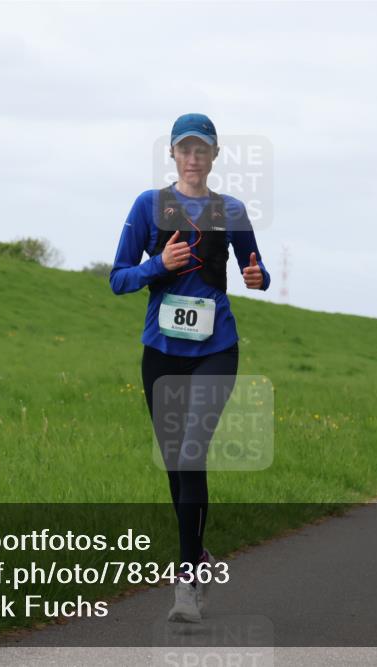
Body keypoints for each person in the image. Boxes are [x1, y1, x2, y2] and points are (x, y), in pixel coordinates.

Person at [110, 113, 270, 623]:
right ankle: (197, 555)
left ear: (215, 155)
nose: (194, 158)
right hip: (161, 352)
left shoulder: (232, 210)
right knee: (176, 461)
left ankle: (186, 582)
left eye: (203, 150)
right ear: (173, 155)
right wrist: (160, 265)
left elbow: (256, 270)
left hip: (215, 347)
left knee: (193, 450)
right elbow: (118, 278)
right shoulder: (148, 206)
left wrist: (257, 274)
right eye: (185, 149)